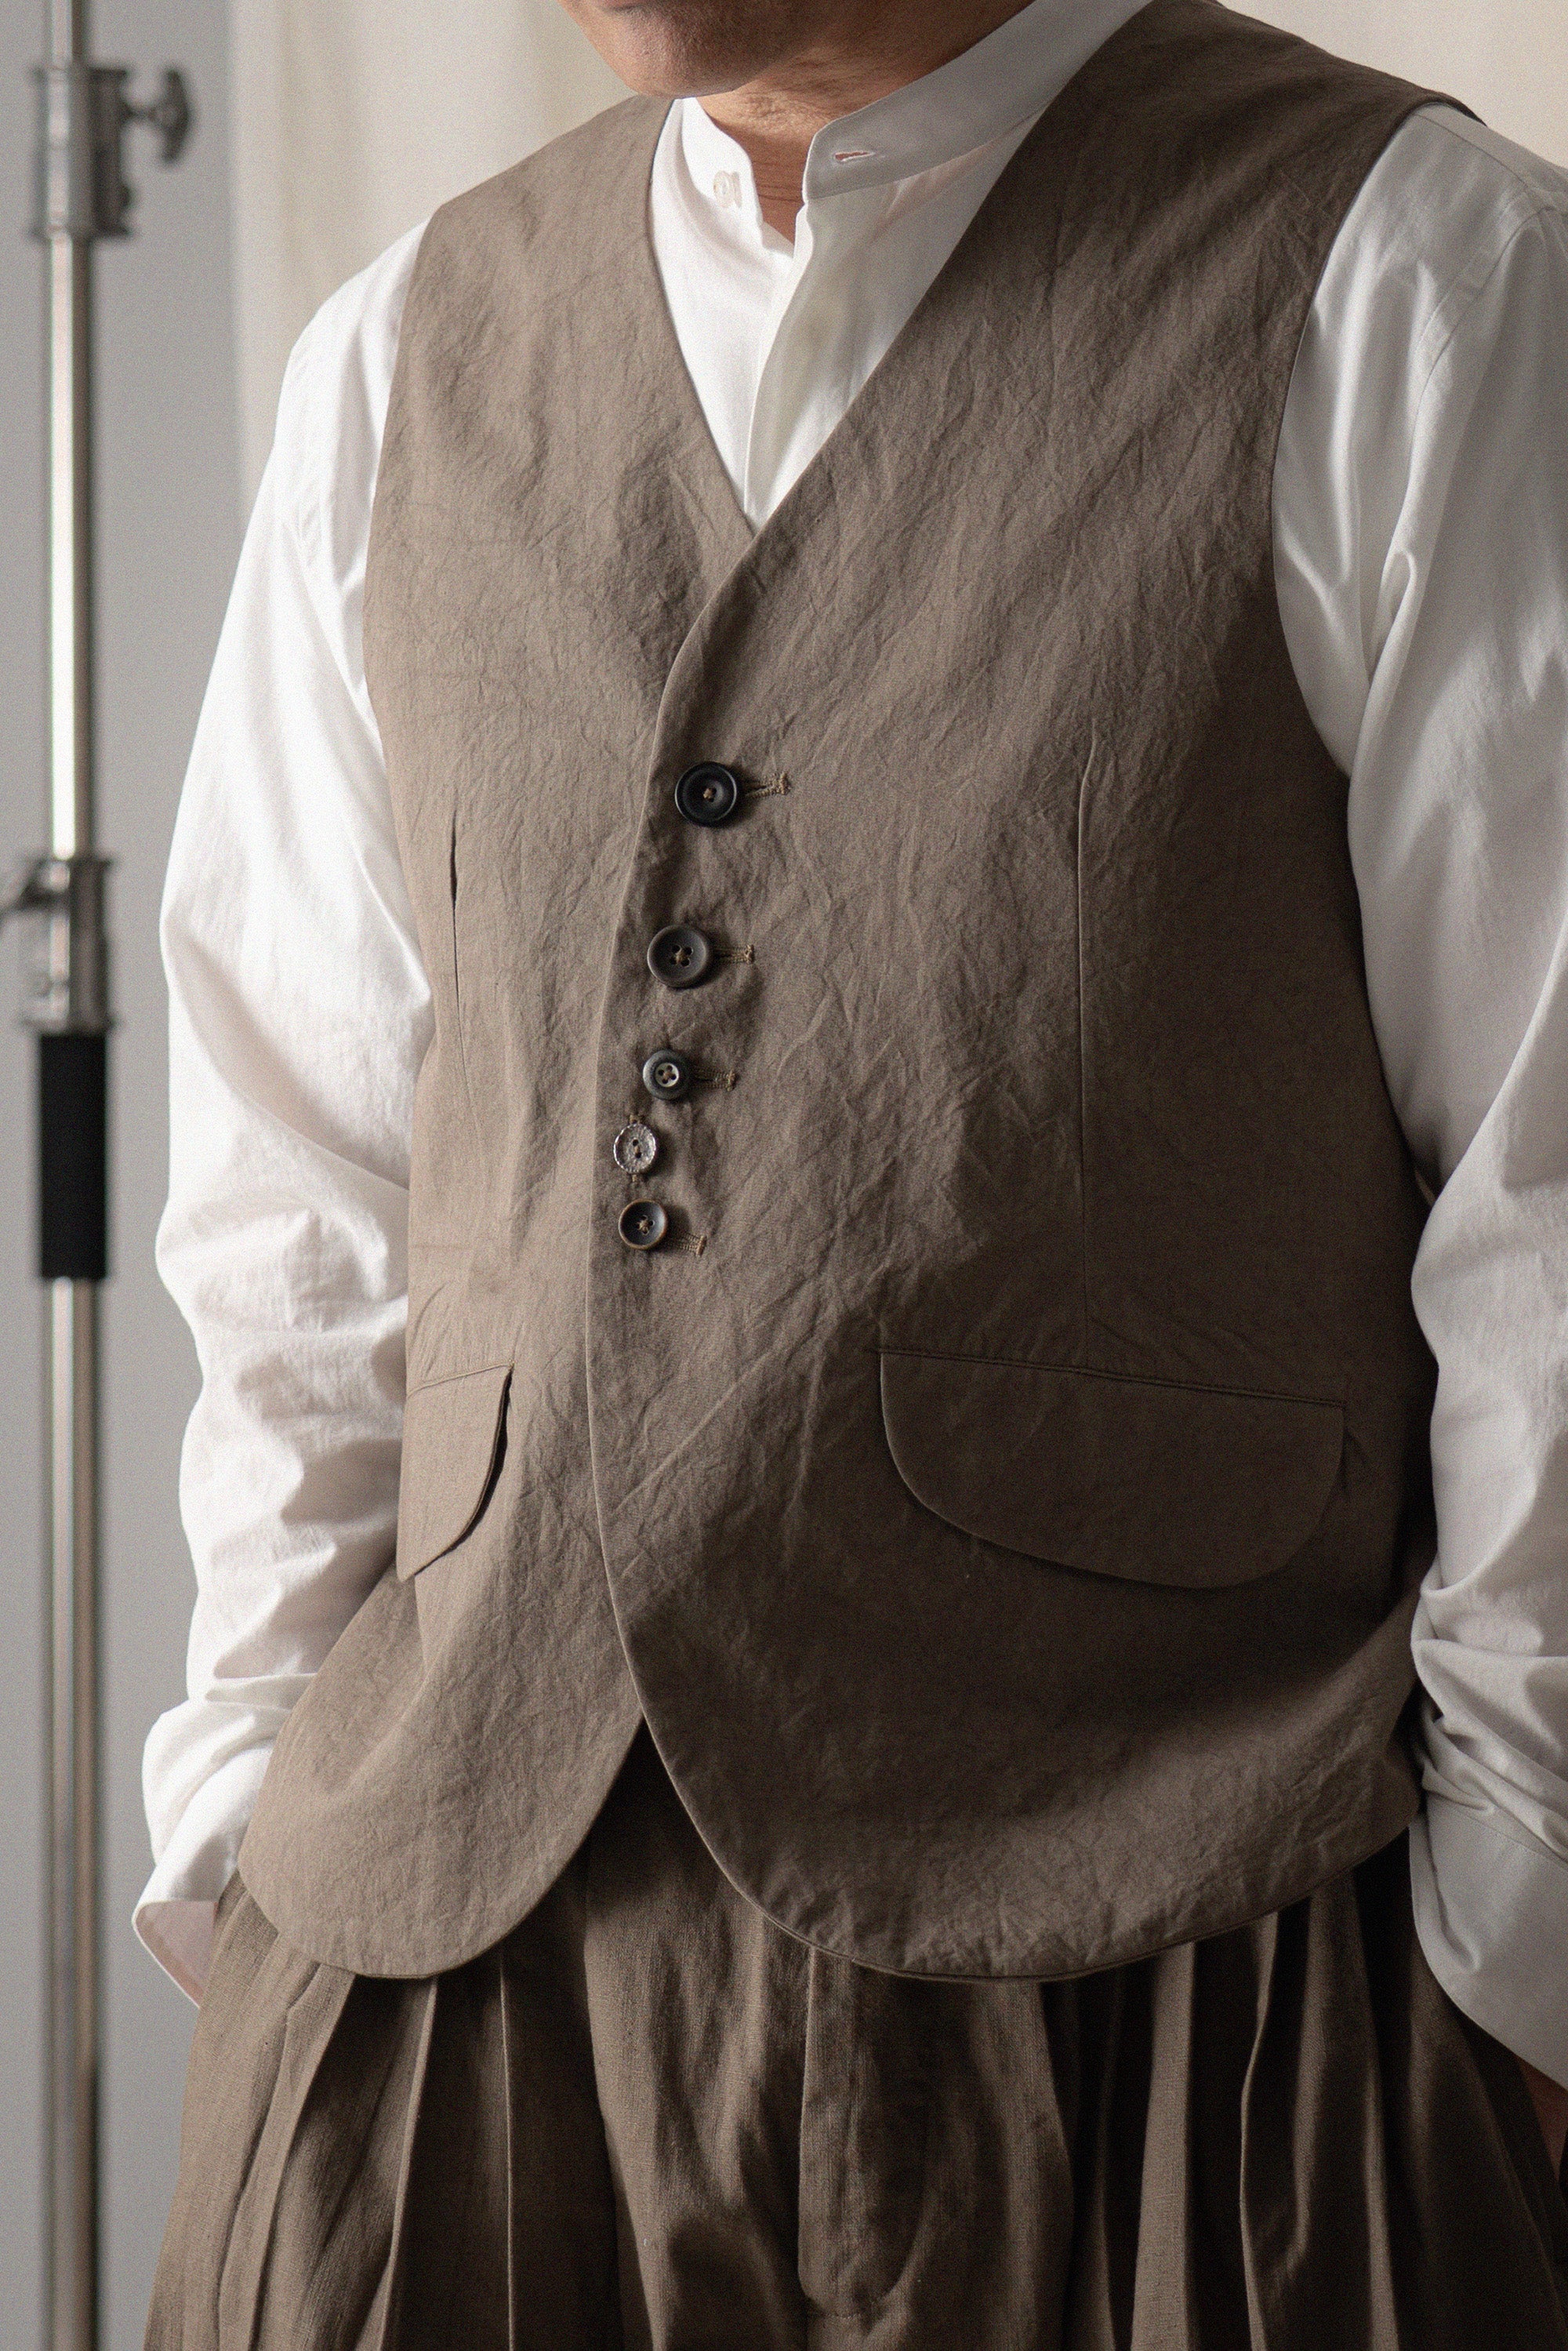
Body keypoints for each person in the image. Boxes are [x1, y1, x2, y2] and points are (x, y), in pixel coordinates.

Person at [141, 0, 1568, 2341]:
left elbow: (1552, 1192)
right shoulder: (398, 359)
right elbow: (299, 1193)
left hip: (1204, 2003)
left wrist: (1515, 1970)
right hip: (463, 1989)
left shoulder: (1425, 281)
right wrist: (249, 1839)